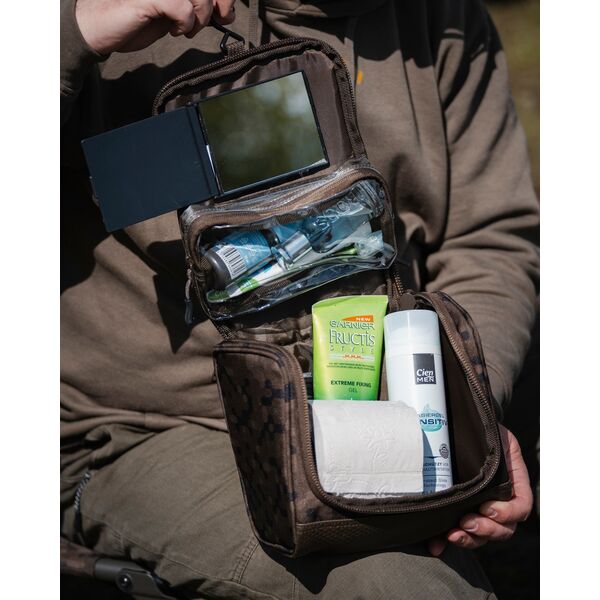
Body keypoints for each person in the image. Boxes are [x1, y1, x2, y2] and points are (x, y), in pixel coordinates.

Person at [61, 0, 539, 598]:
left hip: (387, 396)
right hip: (152, 425)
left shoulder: (441, 18)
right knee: (404, 586)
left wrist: (469, 403)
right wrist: (72, 35)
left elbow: (488, 238)